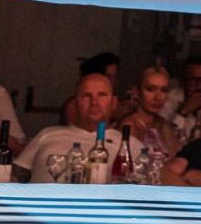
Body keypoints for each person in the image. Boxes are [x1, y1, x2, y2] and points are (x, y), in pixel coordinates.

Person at [14, 73, 144, 182]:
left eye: (102, 95)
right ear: (75, 103)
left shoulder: (128, 145)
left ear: (114, 103)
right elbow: (14, 177)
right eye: (86, 96)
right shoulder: (47, 134)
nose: (94, 102)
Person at [117, 63, 184, 158]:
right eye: (150, 89)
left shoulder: (162, 124)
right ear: (137, 92)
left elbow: (179, 157)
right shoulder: (129, 125)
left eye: (163, 90)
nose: (158, 97)